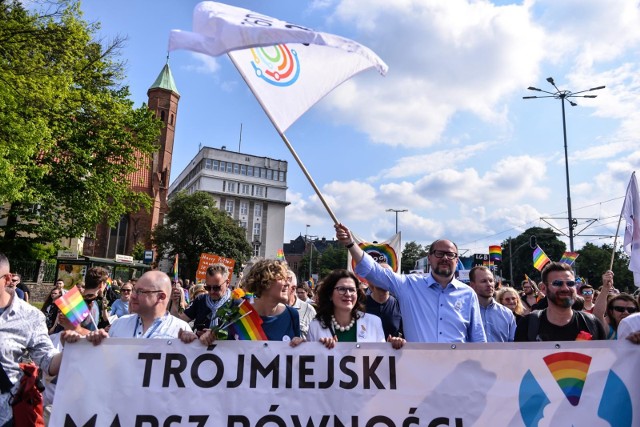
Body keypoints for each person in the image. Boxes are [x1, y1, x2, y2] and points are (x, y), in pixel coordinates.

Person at [335, 223, 486, 343]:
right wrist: (350, 243)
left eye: (450, 254)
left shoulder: (468, 294)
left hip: (456, 374)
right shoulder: (408, 285)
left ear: (456, 260)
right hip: (418, 374)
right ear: (430, 258)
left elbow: (478, 339)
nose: (445, 258)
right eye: (439, 254)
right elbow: (374, 271)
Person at [0, 253, 64, 426]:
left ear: (7, 279)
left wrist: (75, 346)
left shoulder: (30, 316)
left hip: (5, 414)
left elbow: (48, 360)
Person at [67, 271, 193, 343]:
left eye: (140, 292)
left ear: (161, 297)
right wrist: (94, 341)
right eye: (133, 291)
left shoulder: (181, 329)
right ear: (102, 285)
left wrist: (193, 344)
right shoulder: (118, 325)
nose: (132, 296)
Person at [308, 269, 405, 349]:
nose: (348, 294)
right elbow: (308, 363)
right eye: (341, 289)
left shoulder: (374, 322)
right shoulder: (315, 326)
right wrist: (299, 345)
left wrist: (392, 347)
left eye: (352, 290)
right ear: (330, 294)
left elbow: (381, 359)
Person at [515, 262, 606, 342]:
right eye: (557, 283)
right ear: (544, 288)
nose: (565, 288)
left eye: (570, 283)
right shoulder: (528, 324)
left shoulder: (591, 323)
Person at [241, 259, 303, 344]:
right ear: (265, 282)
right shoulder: (240, 314)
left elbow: (296, 354)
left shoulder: (292, 314)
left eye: (288, 279)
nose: (288, 283)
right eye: (282, 278)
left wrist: (301, 345)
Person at [180, 264, 234, 335]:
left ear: (227, 283)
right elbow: (180, 321)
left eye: (216, 288)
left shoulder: (236, 303)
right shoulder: (200, 300)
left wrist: (215, 336)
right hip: (200, 345)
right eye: (208, 287)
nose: (211, 292)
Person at [468, 266, 515, 342]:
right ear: (472, 285)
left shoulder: (507, 314)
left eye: (491, 280)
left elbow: (513, 344)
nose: (489, 284)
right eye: (483, 281)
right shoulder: (464, 313)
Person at [365, 263, 403, 338]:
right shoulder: (359, 304)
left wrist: (398, 340)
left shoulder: (401, 305)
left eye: (388, 276)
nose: (383, 279)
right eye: (380, 275)